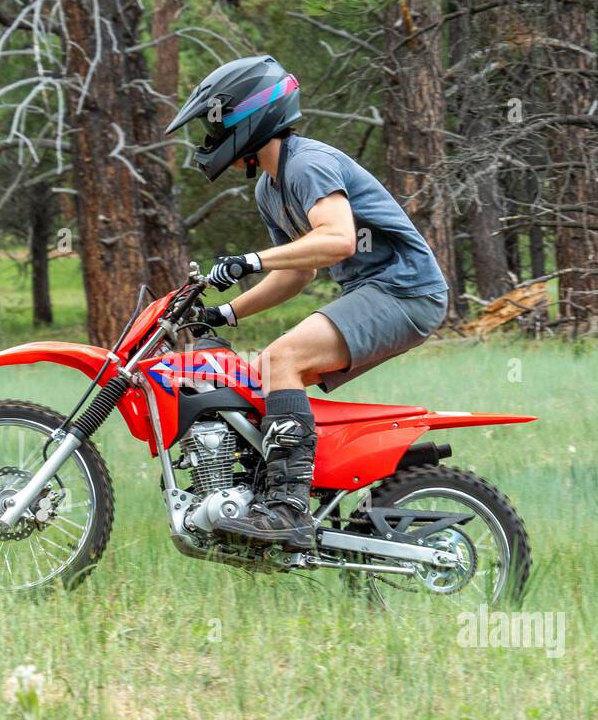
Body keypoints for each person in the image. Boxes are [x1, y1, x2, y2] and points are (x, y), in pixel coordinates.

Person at [164, 55, 449, 551]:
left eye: (215, 128)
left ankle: (287, 510)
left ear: (248, 119)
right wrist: (224, 313)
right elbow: (298, 272)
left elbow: (337, 239)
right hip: (376, 293)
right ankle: (277, 496)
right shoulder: (269, 187)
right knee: (261, 376)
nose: (209, 144)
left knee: (281, 360)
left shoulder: (308, 164)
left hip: (405, 290)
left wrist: (250, 259)